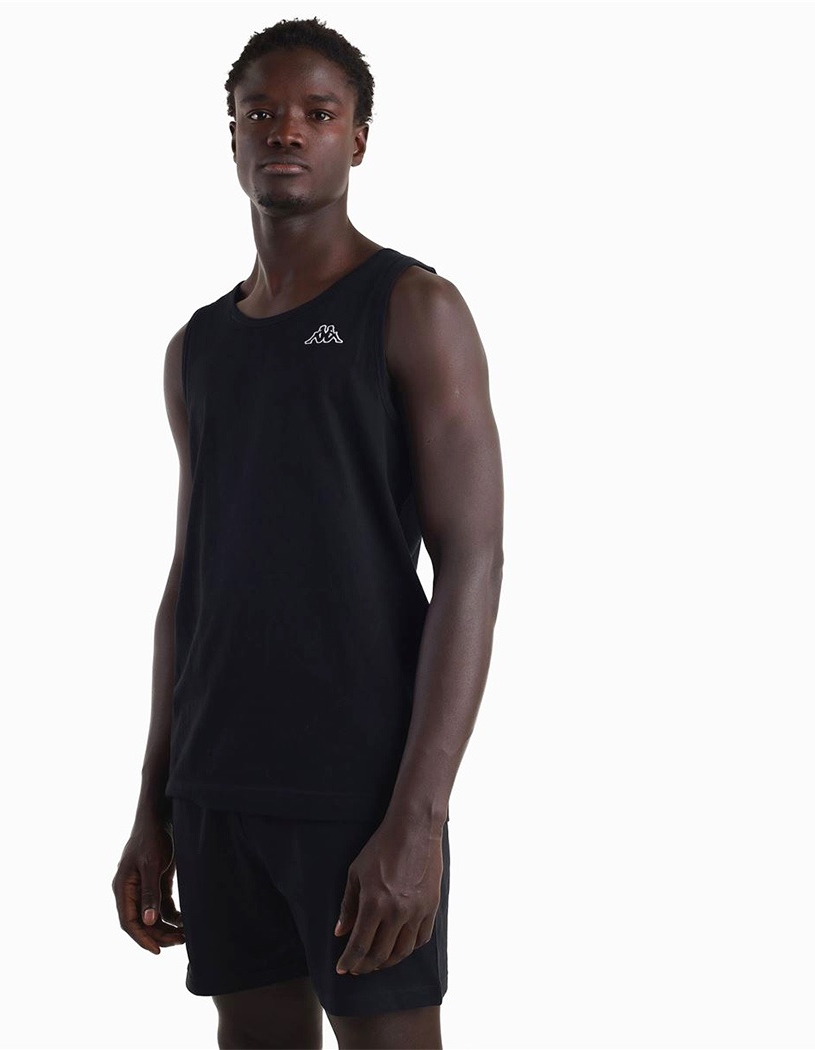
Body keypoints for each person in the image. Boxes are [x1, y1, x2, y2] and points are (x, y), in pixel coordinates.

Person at [112, 16, 503, 1050]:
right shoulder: (197, 348)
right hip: (217, 783)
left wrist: (418, 817)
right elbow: (192, 581)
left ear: (358, 139)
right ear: (233, 136)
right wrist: (154, 801)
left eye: (318, 113)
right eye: (262, 113)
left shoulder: (415, 308)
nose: (286, 130)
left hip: (359, 786)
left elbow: (474, 563)